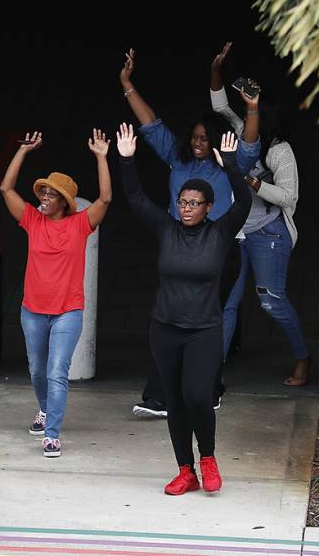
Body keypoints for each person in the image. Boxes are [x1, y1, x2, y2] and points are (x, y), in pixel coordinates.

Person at [119, 48, 260, 418]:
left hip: (220, 250)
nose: (197, 143)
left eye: (203, 139)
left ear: (215, 140)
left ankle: (178, 393)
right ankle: (187, 391)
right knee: (173, 316)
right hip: (179, 246)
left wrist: (252, 109)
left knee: (204, 319)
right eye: (194, 137)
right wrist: (126, 84)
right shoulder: (178, 158)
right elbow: (150, 125)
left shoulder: (228, 162)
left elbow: (248, 142)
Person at [116, 122, 253, 495]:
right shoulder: (167, 229)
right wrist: (127, 161)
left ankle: (207, 459)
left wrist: (231, 167)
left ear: (208, 207)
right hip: (165, 327)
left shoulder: (219, 233)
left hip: (204, 329)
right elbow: (137, 199)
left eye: (195, 203)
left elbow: (244, 203)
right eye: (183, 202)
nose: (187, 208)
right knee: (174, 401)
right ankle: (185, 470)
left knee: (197, 395)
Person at [0, 129, 112, 458]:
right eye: (42, 192)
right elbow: (6, 188)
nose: (43, 198)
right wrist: (22, 151)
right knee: (37, 370)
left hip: (67, 312)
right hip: (32, 310)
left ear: (65, 201)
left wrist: (102, 157)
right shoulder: (33, 220)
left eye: (50, 195)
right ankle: (46, 409)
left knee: (56, 370)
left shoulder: (79, 224)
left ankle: (52, 434)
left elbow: (105, 199)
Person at [209, 43, 310, 385]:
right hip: (238, 232)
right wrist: (216, 71)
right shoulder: (242, 133)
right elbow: (220, 106)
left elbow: (288, 195)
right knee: (228, 303)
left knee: (271, 302)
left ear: (265, 120)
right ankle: (212, 370)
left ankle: (302, 358)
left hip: (269, 233)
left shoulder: (281, 151)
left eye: (254, 113)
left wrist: (252, 181)